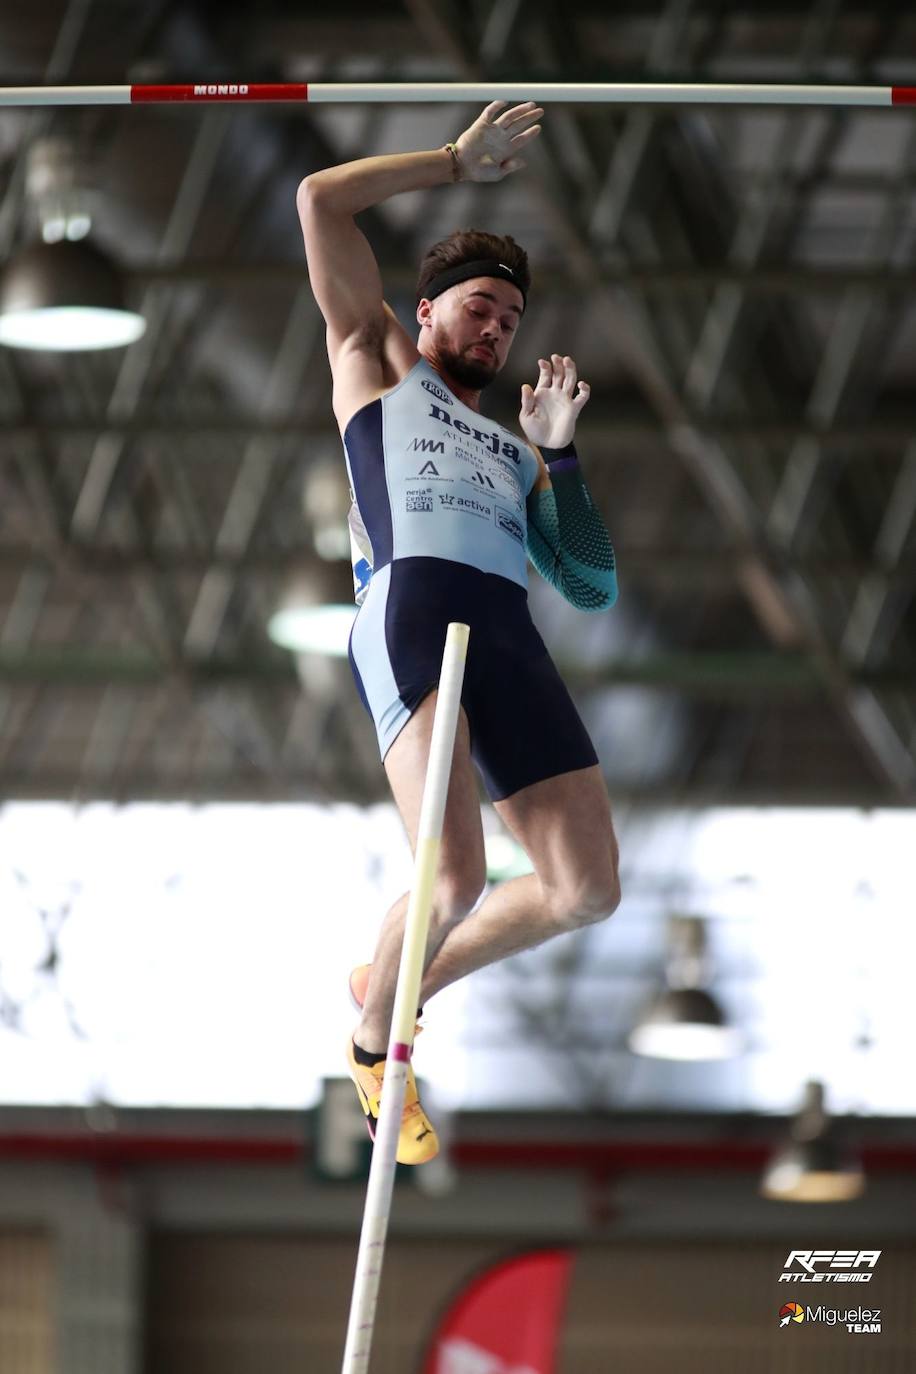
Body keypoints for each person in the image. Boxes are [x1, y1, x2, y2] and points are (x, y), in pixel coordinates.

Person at [297, 100, 621, 1165]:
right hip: (414, 608)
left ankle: (393, 983)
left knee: (584, 889)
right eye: (478, 308)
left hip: (508, 630)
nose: (494, 330)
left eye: (509, 321)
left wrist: (559, 457)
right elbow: (319, 200)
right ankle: (371, 1043)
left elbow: (588, 585)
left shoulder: (515, 450)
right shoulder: (377, 363)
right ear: (426, 311)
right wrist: (450, 163)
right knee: (452, 879)